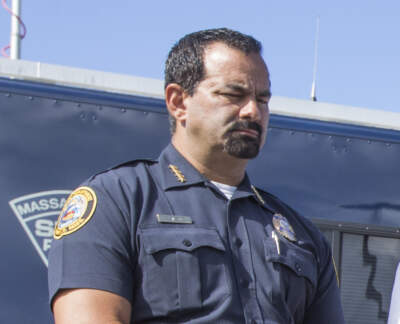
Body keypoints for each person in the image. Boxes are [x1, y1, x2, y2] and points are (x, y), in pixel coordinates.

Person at [48, 28, 345, 324]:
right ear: (178, 101)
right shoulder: (119, 201)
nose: (253, 111)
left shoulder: (301, 235)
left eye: (263, 99)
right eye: (233, 94)